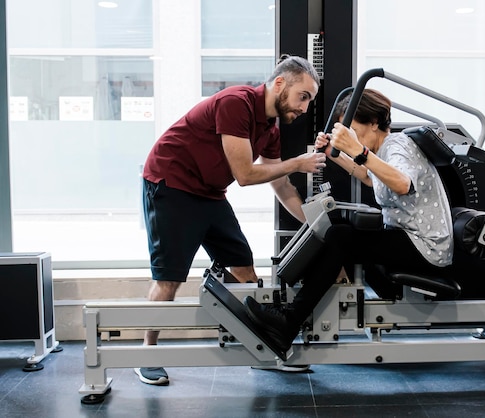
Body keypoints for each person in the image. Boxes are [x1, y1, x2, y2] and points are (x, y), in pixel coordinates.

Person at [137, 54, 326, 385]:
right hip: (170, 185)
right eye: (303, 97)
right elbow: (244, 174)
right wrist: (297, 163)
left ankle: (263, 349)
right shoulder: (236, 103)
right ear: (280, 84)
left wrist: (313, 224)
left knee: (243, 270)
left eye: (309, 100)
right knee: (169, 279)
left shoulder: (269, 130)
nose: (305, 107)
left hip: (209, 193)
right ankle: (147, 353)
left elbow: (280, 184)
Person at [244, 88, 454, 352]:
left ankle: (288, 322)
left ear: (374, 123)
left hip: (427, 247)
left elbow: (402, 183)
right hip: (410, 240)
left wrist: (358, 149)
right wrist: (336, 151)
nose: (351, 136)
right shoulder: (384, 153)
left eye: (353, 129)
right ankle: (287, 317)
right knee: (338, 232)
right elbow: (369, 176)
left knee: (341, 237)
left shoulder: (398, 145)